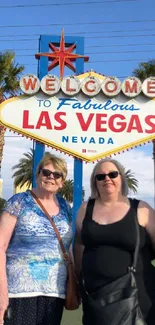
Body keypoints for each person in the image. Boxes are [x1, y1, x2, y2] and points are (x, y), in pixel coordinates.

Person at [73, 158, 155, 325]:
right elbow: (80, 245)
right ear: (94, 182)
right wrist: (78, 280)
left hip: (136, 298)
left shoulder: (141, 209)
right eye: (100, 176)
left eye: (112, 174)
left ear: (121, 178)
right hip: (96, 300)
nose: (107, 179)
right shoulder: (84, 209)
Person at [0, 153, 73, 325]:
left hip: (54, 292)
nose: (50, 177)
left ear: (62, 182)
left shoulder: (65, 207)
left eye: (57, 175)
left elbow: (67, 246)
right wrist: (2, 290)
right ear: (38, 174)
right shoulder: (19, 202)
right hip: (19, 291)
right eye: (46, 172)